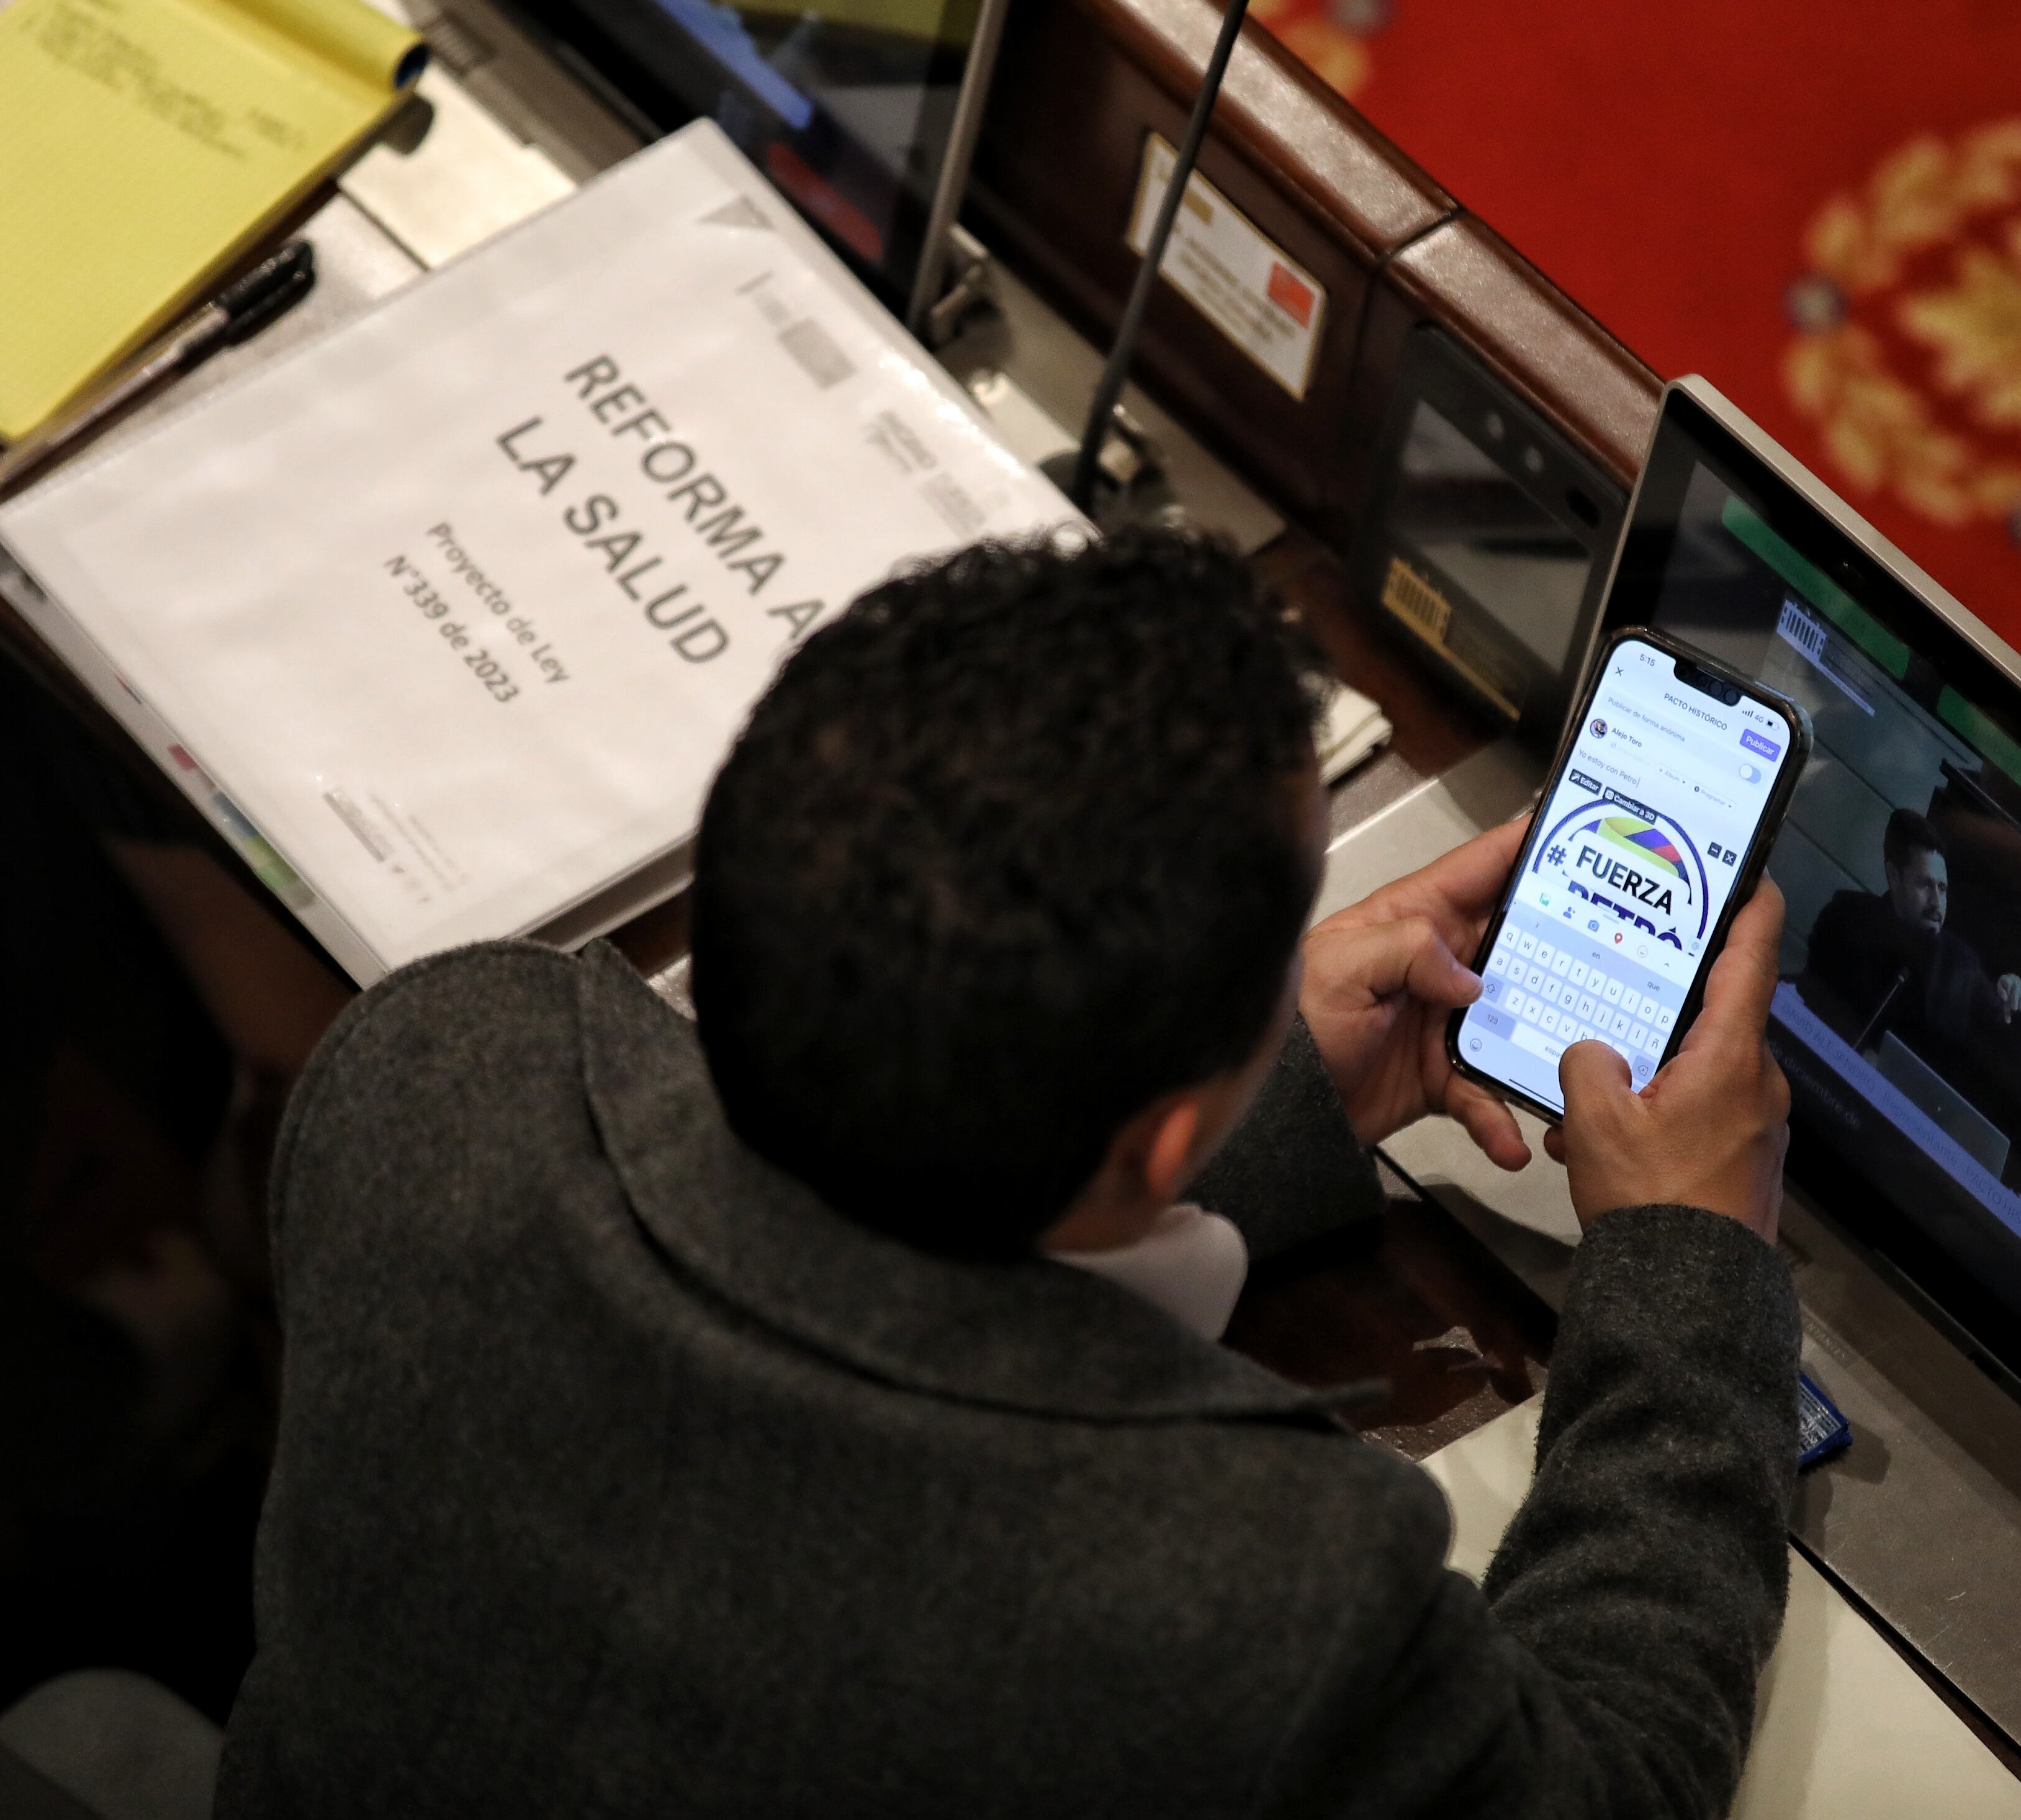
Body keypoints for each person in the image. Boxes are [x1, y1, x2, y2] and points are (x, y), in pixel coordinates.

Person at [218, 528, 1803, 1817]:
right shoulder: (1254, 1599)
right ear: (1163, 1139)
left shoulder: (441, 1066)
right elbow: (1611, 1789)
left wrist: (1261, 1092)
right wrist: (1684, 1264)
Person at [1799, 808, 2021, 1089]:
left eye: (1943, 888)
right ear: (1894, 875)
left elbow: (2020, 1055)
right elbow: (1811, 998)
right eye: (1925, 884)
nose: (1937, 903)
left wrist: (2020, 997)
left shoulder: (1961, 965)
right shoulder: (1847, 918)